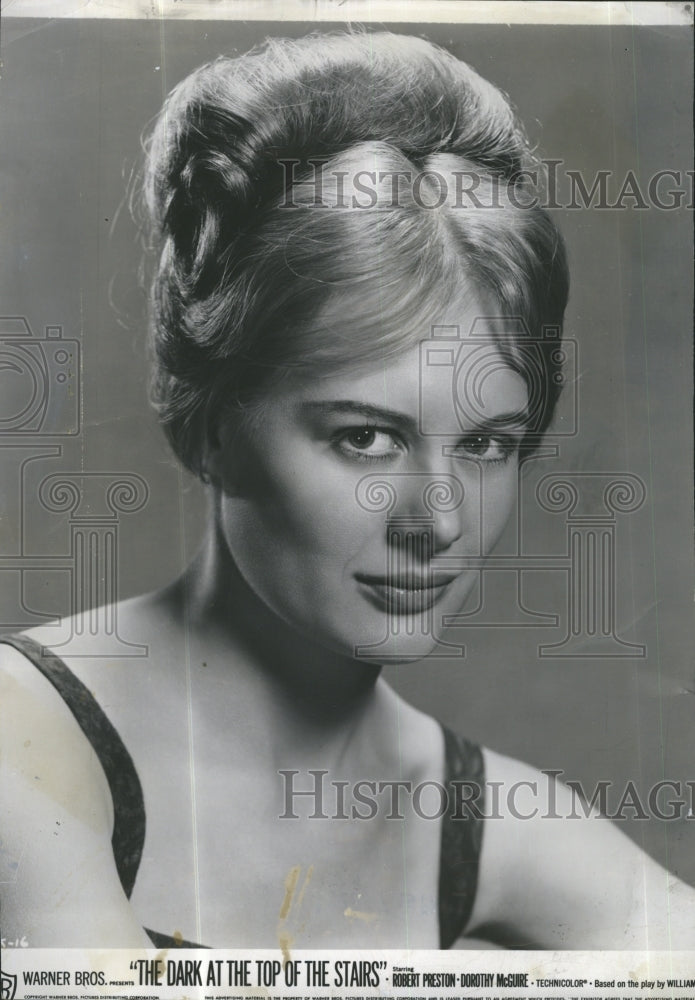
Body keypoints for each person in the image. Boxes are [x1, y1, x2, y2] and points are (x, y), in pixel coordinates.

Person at [0, 30, 692, 951]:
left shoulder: (489, 819)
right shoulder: (24, 737)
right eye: (365, 438)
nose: (437, 519)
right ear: (212, 426)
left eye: (486, 444)